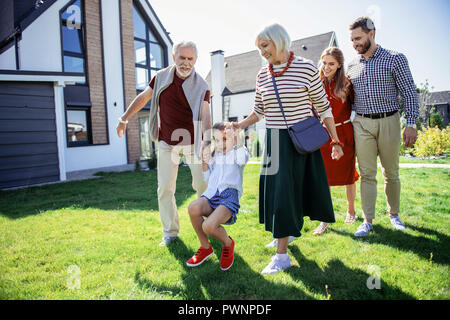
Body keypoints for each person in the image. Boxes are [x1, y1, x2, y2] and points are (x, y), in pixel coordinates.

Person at [234, 23, 344, 274]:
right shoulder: (262, 75)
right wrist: (239, 125)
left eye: (265, 45)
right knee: (278, 195)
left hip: (299, 141)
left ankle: (282, 256)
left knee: (286, 194)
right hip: (274, 140)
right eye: (259, 47)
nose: (262, 51)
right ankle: (286, 234)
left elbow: (323, 107)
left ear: (279, 41)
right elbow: (259, 111)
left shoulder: (305, 68)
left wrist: (335, 140)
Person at [116, 41, 212, 246]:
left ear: (195, 60)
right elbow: (144, 97)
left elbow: (205, 115)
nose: (186, 63)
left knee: (203, 184)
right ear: (174, 57)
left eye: (190, 59)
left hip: (193, 141)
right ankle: (170, 232)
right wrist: (124, 118)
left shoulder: (202, 85)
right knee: (165, 188)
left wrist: (207, 143)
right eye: (182, 58)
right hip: (167, 141)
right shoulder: (160, 77)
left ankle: (206, 227)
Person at [347, 17, 419, 237]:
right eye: (352, 40)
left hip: (389, 120)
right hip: (362, 123)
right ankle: (367, 220)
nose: (355, 43)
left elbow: (408, 91)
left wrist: (412, 123)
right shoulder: (351, 65)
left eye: (358, 38)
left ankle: (394, 215)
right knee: (367, 173)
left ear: (372, 33)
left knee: (391, 173)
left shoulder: (394, 59)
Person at [186, 122, 249, 271]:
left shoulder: (238, 152)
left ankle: (227, 244)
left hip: (228, 197)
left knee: (208, 226)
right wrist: (204, 162)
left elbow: (241, 160)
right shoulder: (215, 155)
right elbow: (208, 179)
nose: (221, 144)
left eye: (225, 139)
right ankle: (205, 247)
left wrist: (237, 139)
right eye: (217, 140)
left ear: (234, 138)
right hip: (212, 195)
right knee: (193, 208)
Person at [311, 47, 360, 236]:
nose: (326, 67)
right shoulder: (316, 84)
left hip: (345, 132)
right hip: (324, 134)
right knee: (324, 178)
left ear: (339, 65)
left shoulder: (347, 84)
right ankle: (324, 220)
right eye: (324, 63)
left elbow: (355, 106)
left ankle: (351, 211)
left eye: (331, 64)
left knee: (348, 175)